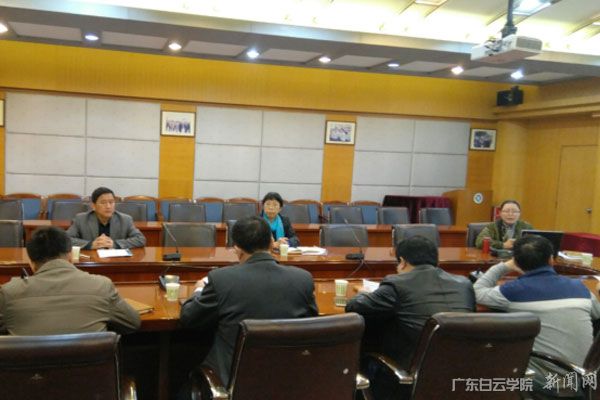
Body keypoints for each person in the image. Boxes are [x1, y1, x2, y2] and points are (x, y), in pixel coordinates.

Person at [179, 216, 318, 387]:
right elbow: (312, 324)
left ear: (237, 249)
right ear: (271, 243)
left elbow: (189, 318)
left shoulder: (221, 279)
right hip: (289, 380)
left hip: (233, 382)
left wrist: (199, 290)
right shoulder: (303, 279)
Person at [345, 236, 475, 399]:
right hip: (462, 370)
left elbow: (354, 307)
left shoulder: (398, 283)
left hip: (414, 374)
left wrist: (365, 294)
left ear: (402, 262)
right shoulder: (464, 284)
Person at [474, 235, 600, 397]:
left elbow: (477, 291)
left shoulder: (512, 291)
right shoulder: (580, 288)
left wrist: (504, 266)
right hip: (588, 378)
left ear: (516, 262)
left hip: (550, 383)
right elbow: (597, 313)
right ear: (551, 260)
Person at [0, 226, 141, 335]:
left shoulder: (9, 292)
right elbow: (133, 323)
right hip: (90, 365)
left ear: (31, 263)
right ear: (70, 256)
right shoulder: (101, 286)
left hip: (32, 366)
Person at [66, 187, 146, 249]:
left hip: (116, 261)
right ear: (93, 206)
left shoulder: (125, 219)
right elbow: (66, 240)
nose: (108, 206)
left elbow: (140, 239)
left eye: (111, 202)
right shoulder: (81, 219)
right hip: (91, 260)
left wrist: (115, 244)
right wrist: (91, 244)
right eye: (103, 202)